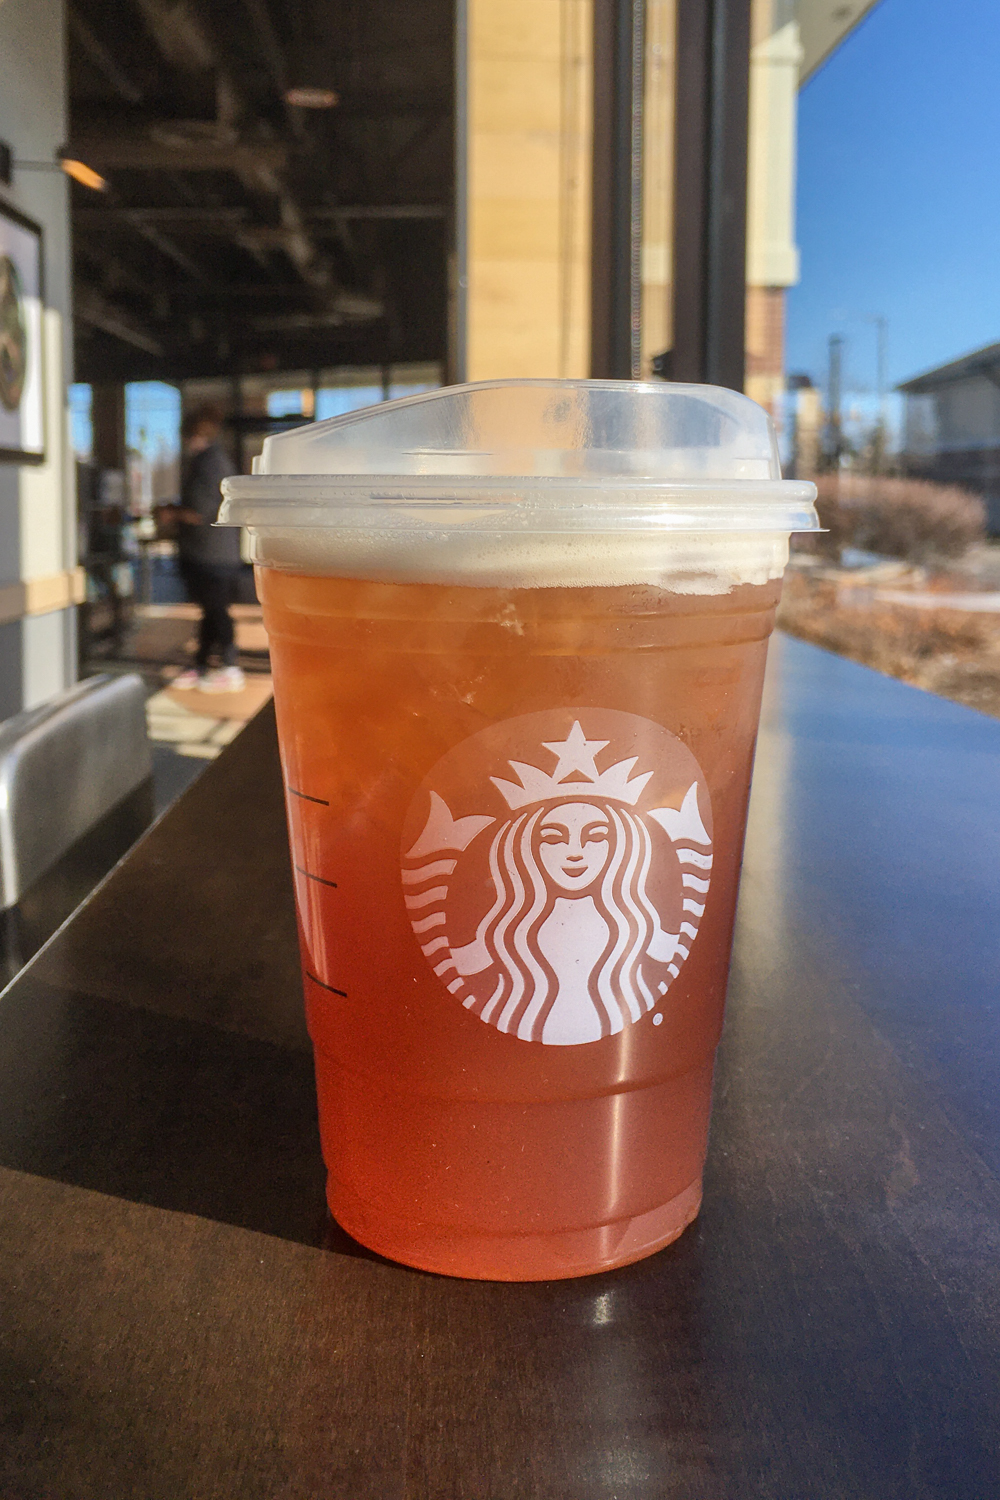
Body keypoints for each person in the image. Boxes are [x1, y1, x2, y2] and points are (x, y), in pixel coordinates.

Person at [172, 403, 245, 692]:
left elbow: (198, 512)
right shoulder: (217, 461)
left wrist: (170, 514)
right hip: (220, 551)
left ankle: (230, 665)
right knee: (212, 610)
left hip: (210, 553)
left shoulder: (207, 464)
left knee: (216, 610)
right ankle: (201, 664)